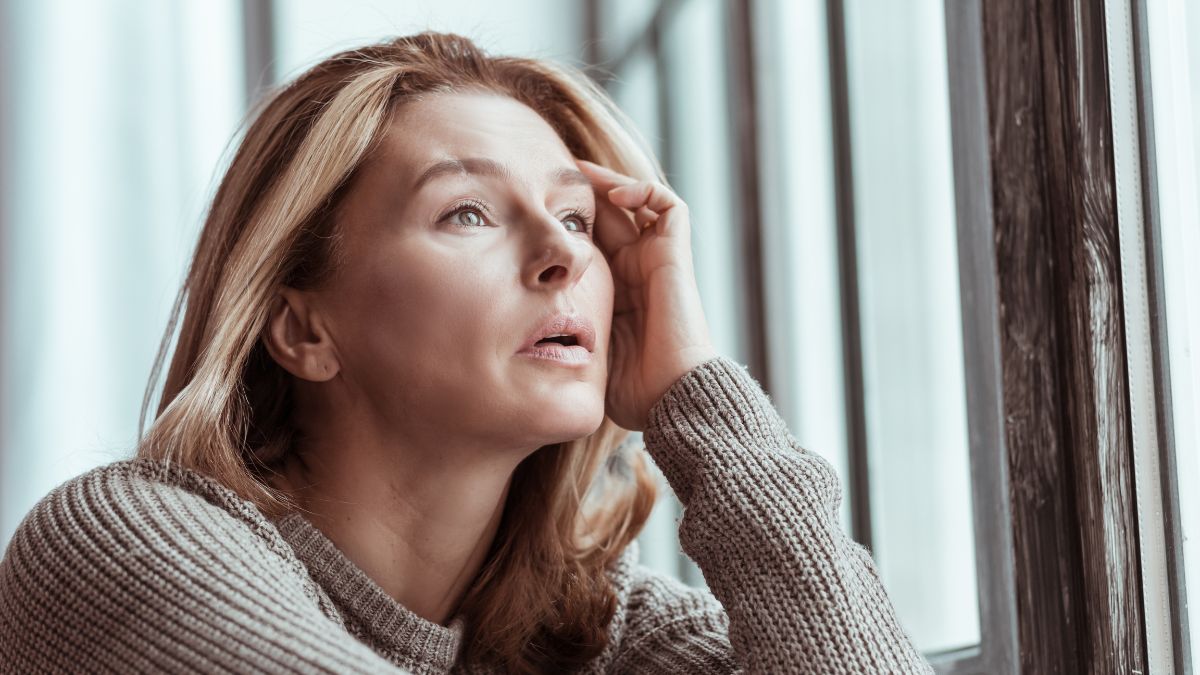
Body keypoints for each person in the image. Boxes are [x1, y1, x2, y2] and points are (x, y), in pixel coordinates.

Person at [0, 32, 932, 674]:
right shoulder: (118, 548)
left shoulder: (605, 635)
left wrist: (699, 395)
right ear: (302, 328)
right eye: (468, 213)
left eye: (574, 216)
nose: (566, 252)